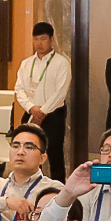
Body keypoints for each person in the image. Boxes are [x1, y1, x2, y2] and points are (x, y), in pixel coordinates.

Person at [12, 22, 73, 175]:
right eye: (36, 39)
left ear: (51, 39)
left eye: (43, 39)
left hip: (53, 115)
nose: (39, 43)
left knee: (54, 153)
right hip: (30, 113)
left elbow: (61, 92)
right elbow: (19, 89)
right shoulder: (26, 63)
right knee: (29, 151)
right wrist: (31, 108)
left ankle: (58, 186)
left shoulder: (61, 63)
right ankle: (30, 183)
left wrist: (42, 111)